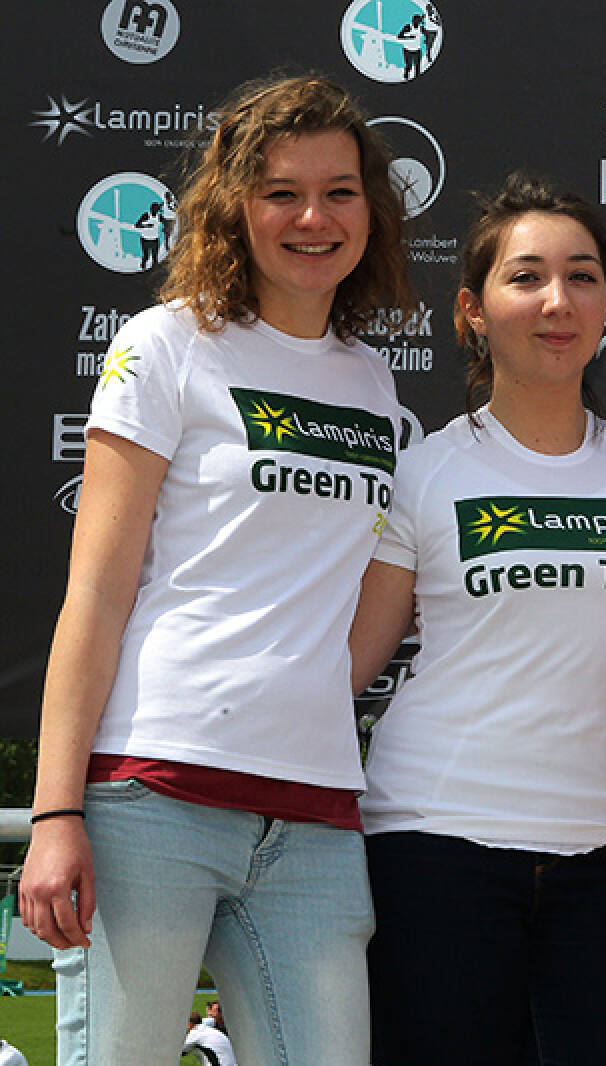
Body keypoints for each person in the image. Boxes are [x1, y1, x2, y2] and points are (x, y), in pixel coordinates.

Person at [18, 75, 414, 1066]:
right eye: (282, 192)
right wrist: (56, 810)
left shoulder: (372, 380)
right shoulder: (167, 345)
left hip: (316, 812)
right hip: (153, 795)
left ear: (372, 208)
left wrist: (309, 691)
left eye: (340, 191)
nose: (314, 217)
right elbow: (94, 594)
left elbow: (355, 598)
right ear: (235, 207)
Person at [348, 172, 606, 1066]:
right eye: (527, 277)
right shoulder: (424, 472)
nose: (558, 301)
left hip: (602, 863)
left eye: (582, 276)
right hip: (432, 848)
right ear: (472, 310)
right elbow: (348, 664)